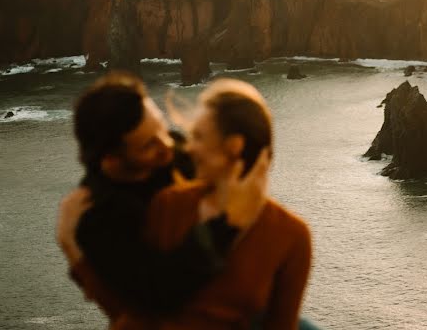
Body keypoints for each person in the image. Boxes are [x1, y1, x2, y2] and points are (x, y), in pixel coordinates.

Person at [56, 72, 270, 320]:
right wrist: (225, 224)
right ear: (111, 161)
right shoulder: (99, 217)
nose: (167, 145)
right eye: (149, 145)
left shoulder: (174, 152)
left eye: (162, 126)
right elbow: (158, 293)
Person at [121, 77, 312, 330]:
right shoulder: (170, 206)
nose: (189, 149)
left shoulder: (291, 236)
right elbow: (141, 305)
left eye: (198, 137)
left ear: (234, 147)